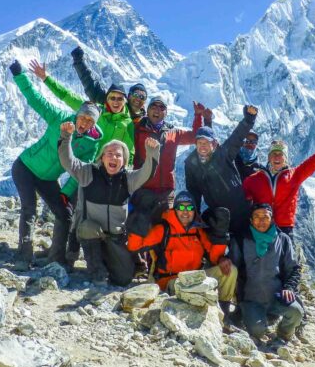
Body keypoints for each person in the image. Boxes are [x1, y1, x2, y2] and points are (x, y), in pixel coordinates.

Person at [8, 59, 103, 268]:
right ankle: (24, 256)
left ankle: (56, 259)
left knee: (64, 214)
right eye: (83, 117)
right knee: (29, 208)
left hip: (49, 178)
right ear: (78, 114)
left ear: (94, 124)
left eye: (90, 121)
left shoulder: (91, 143)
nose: (85, 123)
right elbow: (36, 100)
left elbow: (81, 171)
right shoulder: (59, 117)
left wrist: (65, 192)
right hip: (25, 167)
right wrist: (19, 75)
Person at [58, 120, 160, 285]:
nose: (114, 157)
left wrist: (152, 152)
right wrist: (66, 136)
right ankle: (96, 272)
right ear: (102, 157)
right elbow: (67, 161)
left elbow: (147, 173)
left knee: (124, 278)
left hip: (116, 238)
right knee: (86, 228)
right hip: (93, 233)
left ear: (124, 161)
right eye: (110, 153)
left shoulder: (128, 179)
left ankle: (111, 263)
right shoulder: (89, 173)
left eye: (118, 155)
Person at [127, 190, 237, 318]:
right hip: (170, 281)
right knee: (195, 288)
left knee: (230, 271)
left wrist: (220, 238)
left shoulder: (198, 231)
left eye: (189, 207)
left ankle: (223, 312)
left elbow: (214, 257)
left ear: (194, 210)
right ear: (175, 210)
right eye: (181, 207)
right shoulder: (164, 229)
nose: (185, 211)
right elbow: (134, 246)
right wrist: (137, 225)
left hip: (196, 279)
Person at [242, 128, 315, 236]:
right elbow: (241, 202)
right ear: (269, 157)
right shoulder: (253, 179)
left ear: (286, 158)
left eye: (280, 154)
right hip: (260, 227)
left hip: (284, 228)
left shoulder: (295, 175)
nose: (277, 157)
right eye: (273, 153)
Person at [126, 96, 207, 239]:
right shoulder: (138, 129)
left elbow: (195, 136)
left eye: (161, 108)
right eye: (154, 107)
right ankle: (139, 261)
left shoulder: (173, 134)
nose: (157, 110)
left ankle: (161, 261)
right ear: (148, 110)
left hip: (166, 193)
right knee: (140, 231)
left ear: (166, 113)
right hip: (143, 190)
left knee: (165, 231)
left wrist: (198, 115)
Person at [30, 58, 135, 161]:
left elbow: (129, 151)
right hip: (87, 162)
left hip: (108, 169)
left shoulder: (128, 123)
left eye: (120, 99)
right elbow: (67, 96)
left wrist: (125, 171)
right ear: (107, 99)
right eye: (112, 98)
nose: (116, 102)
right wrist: (46, 78)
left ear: (125, 101)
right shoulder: (94, 111)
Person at [184, 105, 258, 244]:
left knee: (249, 249)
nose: (203, 146)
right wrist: (195, 214)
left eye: (207, 142)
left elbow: (237, 137)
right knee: (232, 252)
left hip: (243, 212)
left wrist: (249, 119)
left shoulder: (223, 154)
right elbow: (193, 192)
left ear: (214, 144)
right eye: (200, 142)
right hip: (222, 219)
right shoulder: (191, 165)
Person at [230, 203, 304, 343]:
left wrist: (289, 288)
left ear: (272, 219)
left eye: (265, 216)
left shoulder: (282, 240)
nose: (261, 221)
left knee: (296, 312)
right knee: (257, 331)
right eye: (257, 217)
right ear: (251, 220)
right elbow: (232, 269)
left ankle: (283, 334)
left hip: (276, 297)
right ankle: (252, 317)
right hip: (251, 299)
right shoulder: (241, 240)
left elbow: (294, 268)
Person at [71, 46, 147, 122]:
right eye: (136, 94)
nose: (138, 98)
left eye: (142, 97)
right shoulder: (113, 102)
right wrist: (79, 62)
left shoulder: (144, 122)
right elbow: (91, 85)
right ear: (129, 96)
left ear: (145, 101)